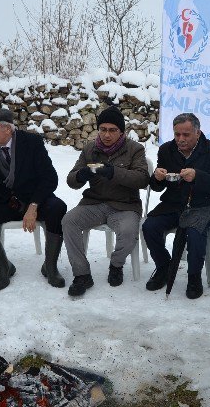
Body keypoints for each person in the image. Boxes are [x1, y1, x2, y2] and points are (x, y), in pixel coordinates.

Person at [0, 109, 67, 290]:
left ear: (8, 129)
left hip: (32, 198)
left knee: (57, 207)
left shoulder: (32, 143)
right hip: (3, 203)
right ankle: (4, 267)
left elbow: (49, 178)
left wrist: (34, 205)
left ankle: (50, 266)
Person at [62, 106, 149, 296]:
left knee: (128, 232)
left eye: (112, 130)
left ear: (121, 132)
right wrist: (81, 175)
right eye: (103, 129)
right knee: (69, 221)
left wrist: (114, 172)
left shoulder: (135, 149)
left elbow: (142, 179)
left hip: (124, 205)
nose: (107, 135)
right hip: (94, 203)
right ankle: (82, 274)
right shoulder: (90, 149)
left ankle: (116, 264)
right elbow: (71, 180)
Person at [142, 113, 210, 299]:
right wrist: (156, 177)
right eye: (177, 134)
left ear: (198, 132)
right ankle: (164, 266)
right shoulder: (166, 150)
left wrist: (198, 176)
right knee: (149, 226)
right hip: (173, 204)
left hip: (202, 205)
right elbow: (157, 187)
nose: (180, 139)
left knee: (195, 234)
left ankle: (194, 277)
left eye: (186, 135)